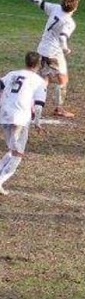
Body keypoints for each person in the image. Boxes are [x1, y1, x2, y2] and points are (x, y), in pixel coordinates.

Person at [18, 0, 80, 118]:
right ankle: (59, 108)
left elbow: (37, 1)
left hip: (41, 49)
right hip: (54, 53)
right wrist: (65, 48)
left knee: (44, 80)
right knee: (63, 79)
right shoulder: (69, 22)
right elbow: (62, 37)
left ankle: (31, 105)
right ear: (75, 8)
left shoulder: (55, 8)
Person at [0, 52, 47, 195]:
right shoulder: (39, 81)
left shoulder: (12, 74)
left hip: (5, 115)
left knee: (12, 149)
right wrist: (37, 122)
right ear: (39, 64)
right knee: (18, 153)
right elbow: (38, 106)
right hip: (20, 119)